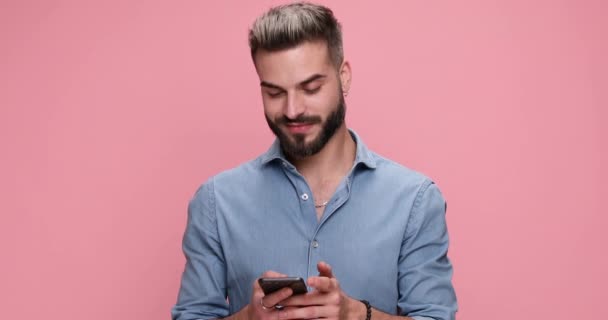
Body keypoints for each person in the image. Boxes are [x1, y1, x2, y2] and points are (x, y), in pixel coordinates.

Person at [172, 2, 457, 320]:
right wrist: (247, 318)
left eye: (311, 88)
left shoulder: (415, 201)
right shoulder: (215, 202)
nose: (292, 110)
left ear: (344, 77)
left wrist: (354, 314)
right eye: (275, 93)